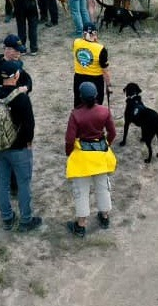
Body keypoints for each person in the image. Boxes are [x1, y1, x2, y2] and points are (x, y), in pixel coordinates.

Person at [0, 60, 41, 232]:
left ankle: (7, 218)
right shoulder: (21, 97)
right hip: (19, 148)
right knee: (23, 183)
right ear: (16, 76)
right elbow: (29, 125)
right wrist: (29, 142)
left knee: (2, 183)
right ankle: (26, 220)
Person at [63, 80, 117, 238]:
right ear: (96, 96)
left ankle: (81, 225)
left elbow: (69, 139)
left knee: (81, 190)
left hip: (82, 157)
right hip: (100, 154)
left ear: (80, 97)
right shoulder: (104, 111)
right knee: (103, 186)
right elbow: (112, 133)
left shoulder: (76, 114)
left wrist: (69, 153)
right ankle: (105, 217)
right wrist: (106, 145)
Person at [71, 25, 110, 106]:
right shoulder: (101, 49)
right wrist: (108, 83)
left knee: (78, 101)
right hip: (96, 79)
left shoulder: (76, 42)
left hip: (79, 77)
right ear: (95, 34)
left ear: (83, 33)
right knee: (96, 103)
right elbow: (105, 70)